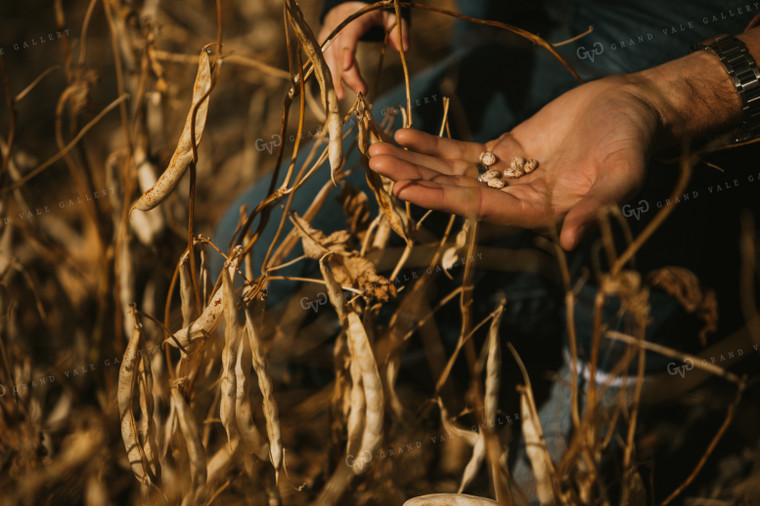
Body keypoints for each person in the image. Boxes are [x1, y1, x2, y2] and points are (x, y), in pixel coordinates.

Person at [214, 1, 760, 501]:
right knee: (251, 270)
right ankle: (531, 335)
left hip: (698, 111)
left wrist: (673, 95)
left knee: (542, 476)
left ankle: (639, 353)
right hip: (519, 68)